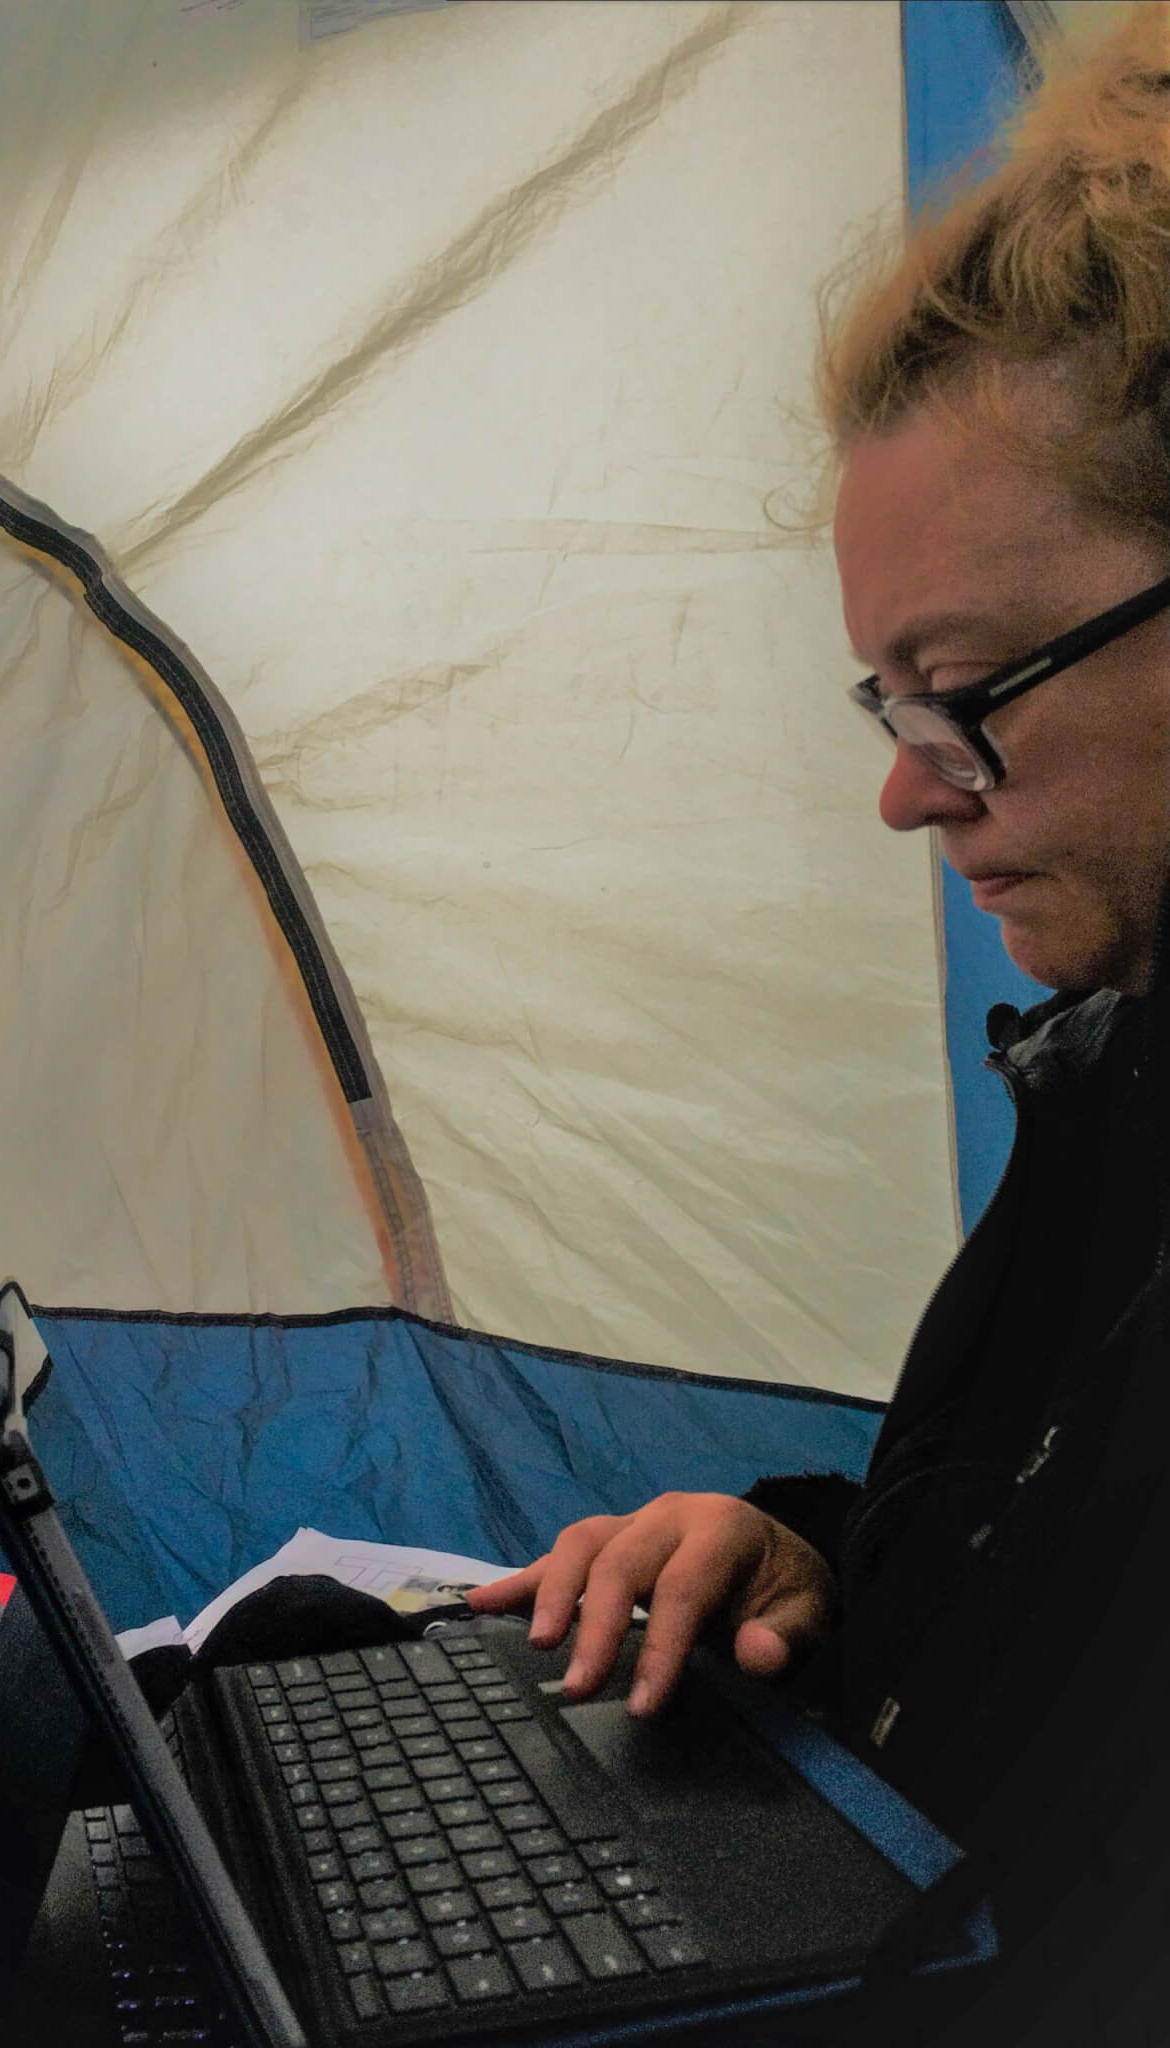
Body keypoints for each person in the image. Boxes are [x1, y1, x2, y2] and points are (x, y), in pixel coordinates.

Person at [469, 10, 1170, 2042]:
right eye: (889, 703)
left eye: (965, 686)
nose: (909, 786)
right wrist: (803, 1559)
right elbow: (1041, 1579)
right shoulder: (1113, 1071)